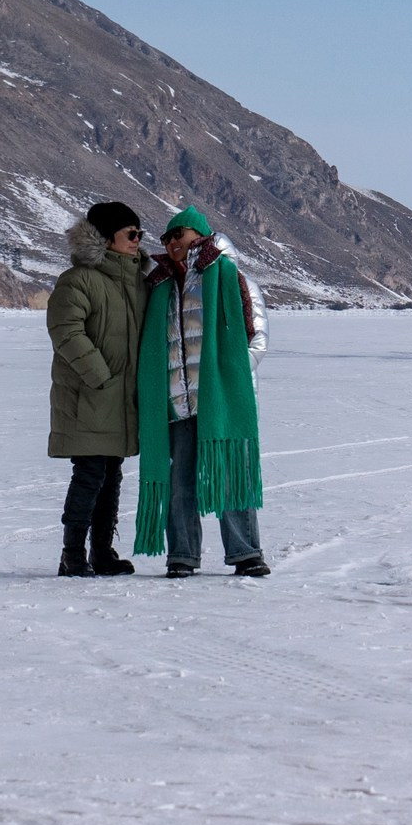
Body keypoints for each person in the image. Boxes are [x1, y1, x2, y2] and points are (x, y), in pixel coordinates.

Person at [134, 206, 269, 577]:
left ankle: (246, 554)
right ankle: (182, 555)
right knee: (180, 485)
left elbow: (255, 341)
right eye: (166, 237)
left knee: (228, 475)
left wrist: (225, 381)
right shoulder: (160, 286)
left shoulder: (230, 277)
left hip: (221, 400)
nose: (172, 242)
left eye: (179, 234)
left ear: (201, 234)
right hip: (177, 402)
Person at [46, 200, 151, 576]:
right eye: (131, 234)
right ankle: (71, 553)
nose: (138, 240)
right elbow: (65, 331)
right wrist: (100, 376)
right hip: (89, 396)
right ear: (107, 239)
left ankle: (101, 552)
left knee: (111, 475)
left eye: (140, 234)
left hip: (120, 399)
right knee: (90, 474)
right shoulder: (78, 280)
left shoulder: (138, 281)